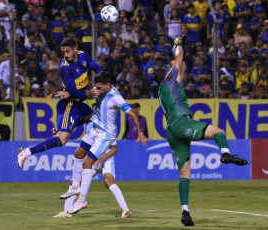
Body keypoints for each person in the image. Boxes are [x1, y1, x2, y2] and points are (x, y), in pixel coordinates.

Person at [152, 35, 248, 227]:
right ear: (166, 75)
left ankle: (185, 212)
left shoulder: (165, 89)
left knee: (184, 174)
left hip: (171, 131)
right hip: (181, 123)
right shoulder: (168, 81)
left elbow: (182, 65)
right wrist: (178, 44)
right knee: (219, 132)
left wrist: (182, 52)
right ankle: (225, 154)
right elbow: (179, 60)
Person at [67, 72, 150, 215]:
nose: (97, 90)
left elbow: (133, 115)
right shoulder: (94, 114)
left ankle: (82, 201)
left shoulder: (116, 98)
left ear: (108, 85)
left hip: (106, 137)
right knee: (76, 176)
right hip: (97, 134)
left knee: (90, 167)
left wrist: (141, 132)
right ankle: (66, 211)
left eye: (99, 88)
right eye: (96, 87)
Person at [16, 38, 103, 169]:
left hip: (78, 103)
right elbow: (73, 91)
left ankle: (59, 129)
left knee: (95, 118)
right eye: (63, 52)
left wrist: (103, 77)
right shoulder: (65, 68)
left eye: (68, 51)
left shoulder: (83, 55)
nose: (66, 55)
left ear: (75, 49)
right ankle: (26, 152)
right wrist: (88, 93)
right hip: (69, 104)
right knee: (62, 140)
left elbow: (96, 67)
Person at [54, 142, 132, 218]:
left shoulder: (108, 130)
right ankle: (66, 211)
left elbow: (114, 149)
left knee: (108, 181)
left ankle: (125, 210)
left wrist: (101, 159)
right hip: (93, 161)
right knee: (74, 182)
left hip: (106, 161)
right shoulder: (90, 131)